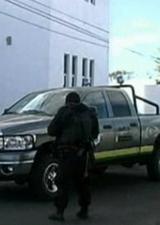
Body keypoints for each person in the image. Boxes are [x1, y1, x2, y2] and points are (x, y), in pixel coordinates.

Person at [47, 91, 99, 221]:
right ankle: (84, 210)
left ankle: (59, 212)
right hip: (83, 154)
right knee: (83, 182)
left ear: (67, 101)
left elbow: (51, 130)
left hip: (66, 153)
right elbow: (95, 132)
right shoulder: (89, 113)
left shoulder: (64, 112)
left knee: (62, 182)